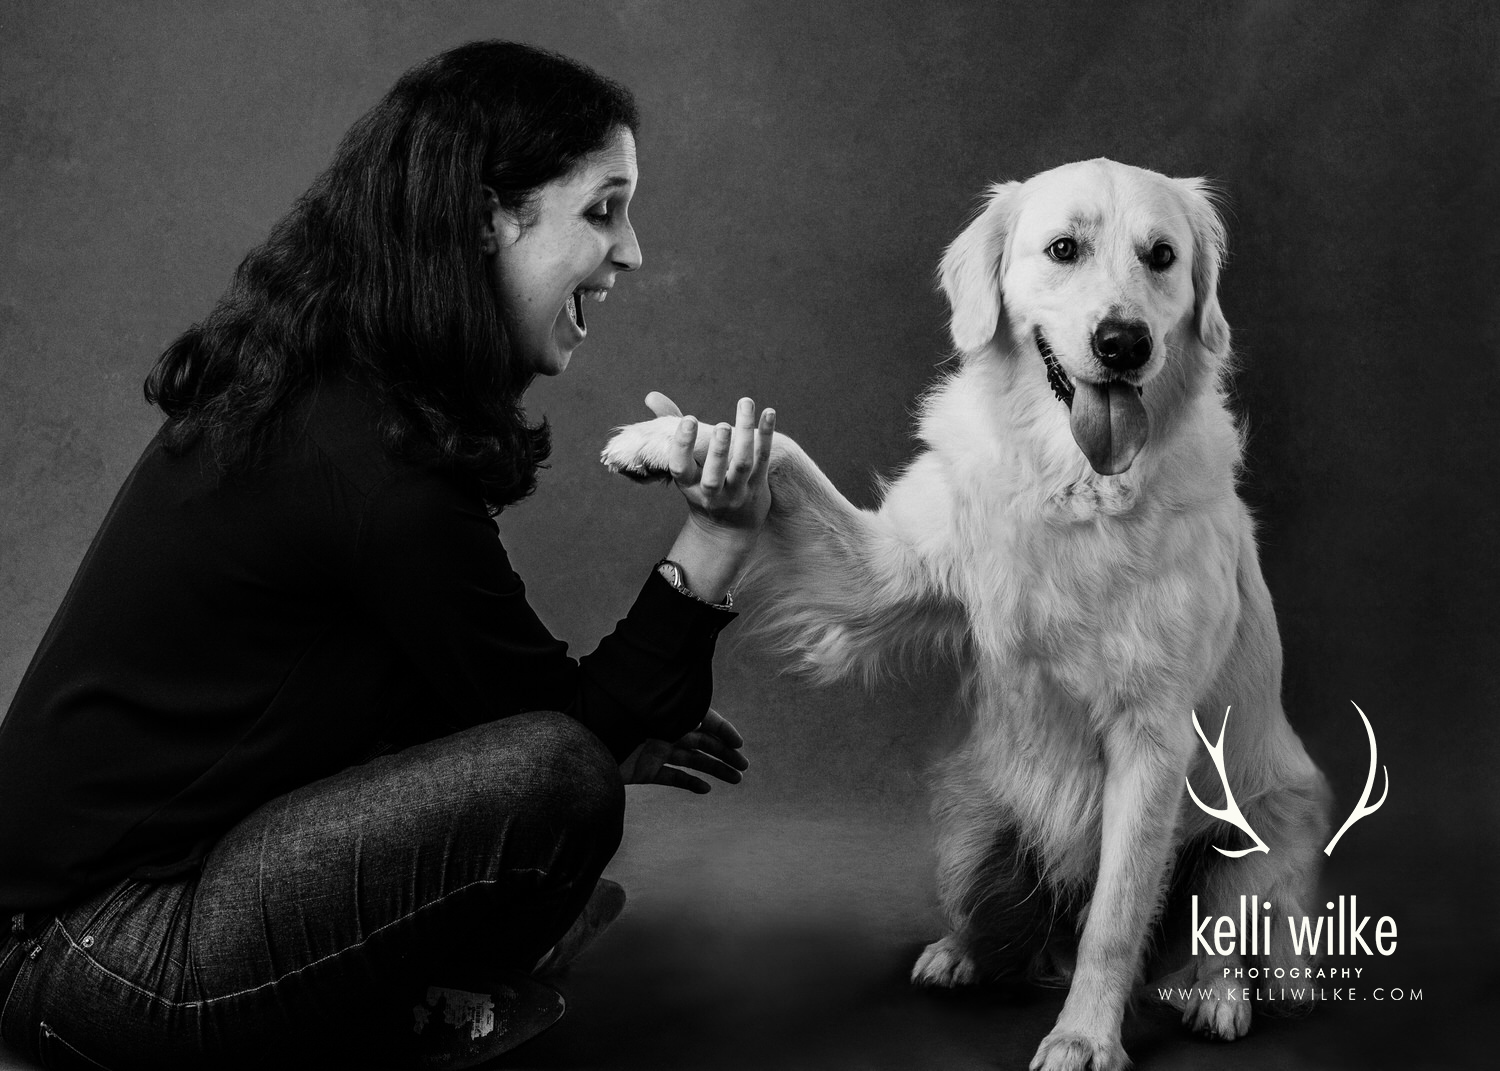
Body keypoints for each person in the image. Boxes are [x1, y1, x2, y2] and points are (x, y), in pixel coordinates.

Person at [0, 41, 772, 1069]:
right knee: (559, 785)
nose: (629, 251)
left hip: (118, 907)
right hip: (102, 952)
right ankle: (421, 1007)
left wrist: (627, 716)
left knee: (543, 815)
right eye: (601, 209)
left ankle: (439, 988)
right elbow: (566, 742)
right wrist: (716, 539)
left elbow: (484, 695)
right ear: (485, 216)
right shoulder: (374, 467)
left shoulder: (339, 396)